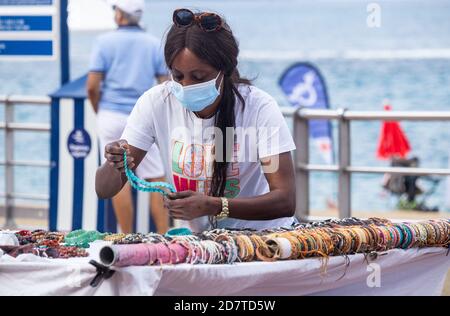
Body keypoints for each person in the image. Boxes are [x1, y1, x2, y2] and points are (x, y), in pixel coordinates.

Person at [95, 9, 297, 233]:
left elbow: (285, 200)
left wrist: (214, 205)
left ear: (224, 70)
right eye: (178, 76)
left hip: (262, 240)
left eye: (199, 77)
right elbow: (103, 189)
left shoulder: (259, 108)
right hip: (199, 245)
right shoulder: (155, 102)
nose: (186, 86)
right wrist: (114, 164)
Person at [87, 0, 169, 234]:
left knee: (117, 173)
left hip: (111, 114)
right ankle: (163, 237)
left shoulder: (103, 42)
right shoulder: (153, 44)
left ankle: (126, 235)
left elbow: (92, 87)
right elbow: (165, 85)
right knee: (157, 177)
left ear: (120, 15)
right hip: (143, 116)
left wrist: (100, 111)